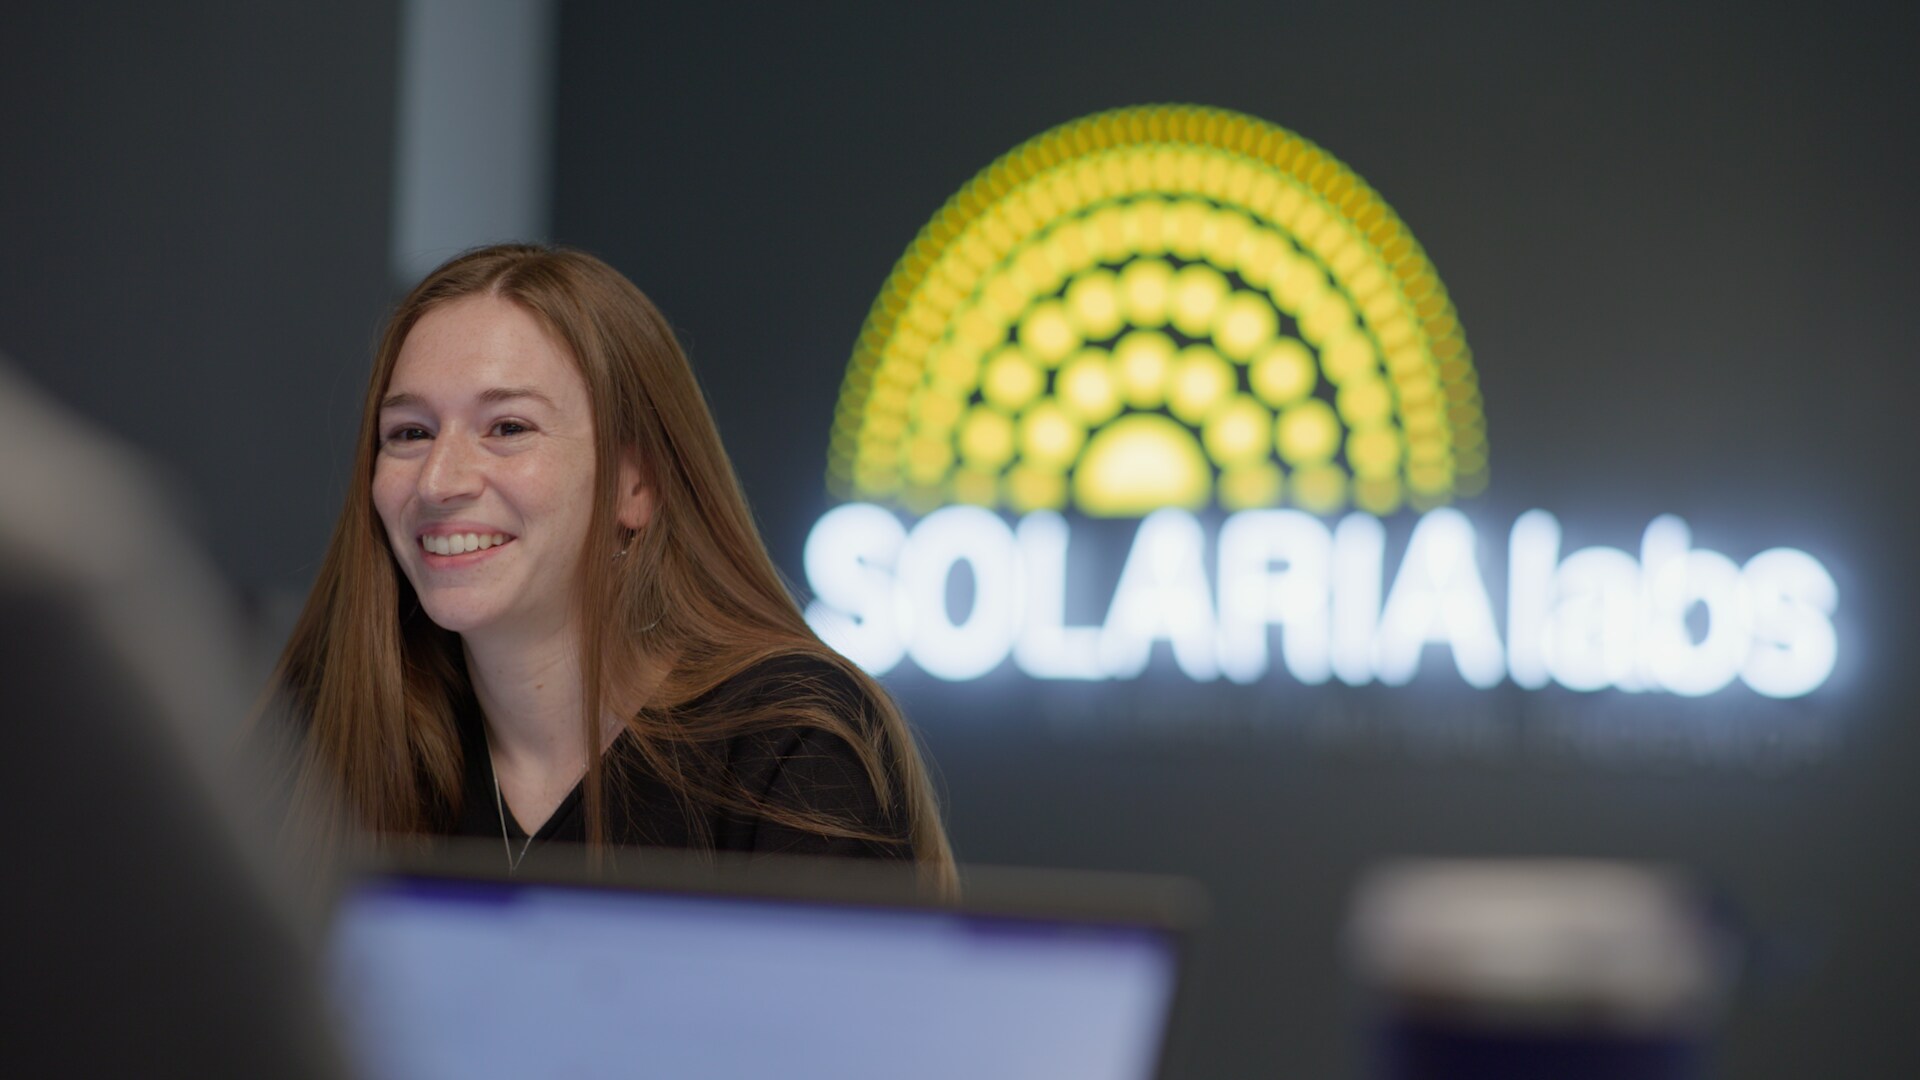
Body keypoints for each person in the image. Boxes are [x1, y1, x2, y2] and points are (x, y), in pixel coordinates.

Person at [267, 244, 954, 889]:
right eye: (410, 433)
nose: (439, 482)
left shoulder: (788, 742)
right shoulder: (320, 733)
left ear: (636, 483)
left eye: (508, 428)